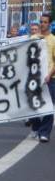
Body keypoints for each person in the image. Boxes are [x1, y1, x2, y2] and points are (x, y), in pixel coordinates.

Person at [30, 13, 55, 143]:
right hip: (35, 77)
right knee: (33, 105)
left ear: (49, 24)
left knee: (49, 106)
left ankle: (44, 132)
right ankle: (36, 126)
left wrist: (49, 75)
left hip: (50, 78)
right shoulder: (33, 38)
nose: (42, 24)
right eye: (41, 21)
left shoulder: (53, 40)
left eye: (45, 22)